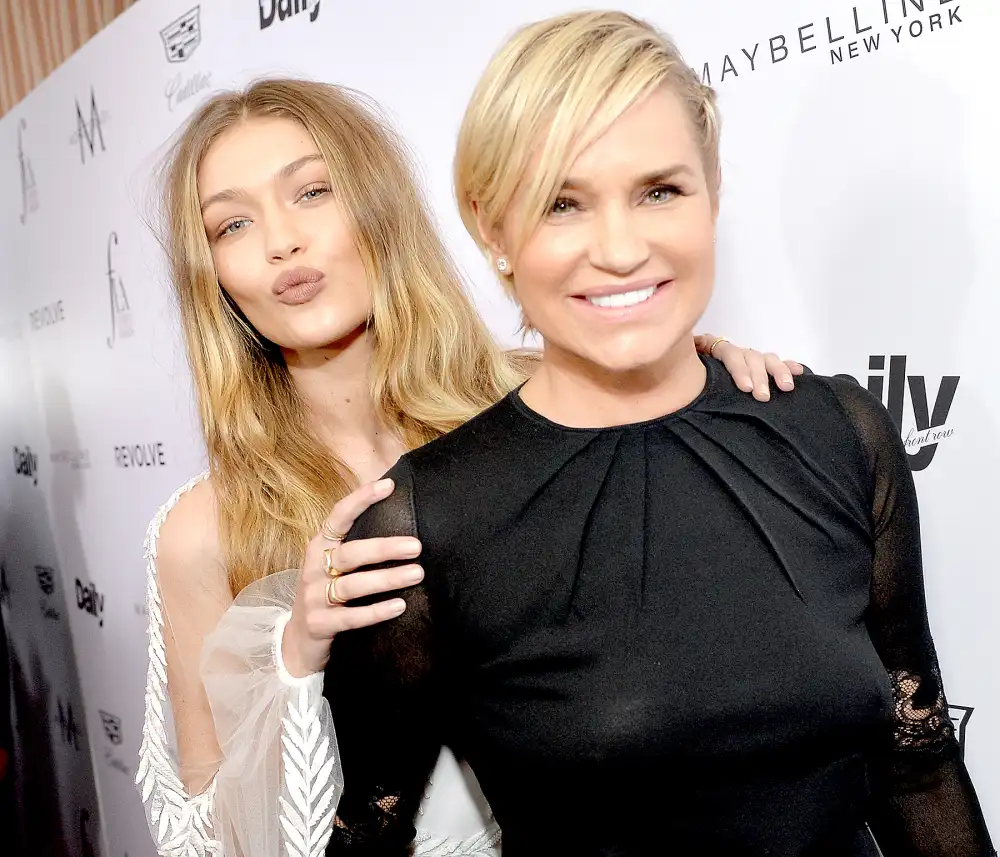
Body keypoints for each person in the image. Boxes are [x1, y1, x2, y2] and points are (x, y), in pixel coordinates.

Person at [305, 11, 996, 857]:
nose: (621, 248)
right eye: (562, 203)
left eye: (659, 190)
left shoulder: (838, 432)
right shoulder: (424, 520)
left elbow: (917, 766)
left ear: (712, 191)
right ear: (492, 228)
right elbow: (371, 831)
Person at [135, 77, 801, 856]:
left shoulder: (539, 402)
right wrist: (295, 656)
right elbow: (195, 837)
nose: (281, 241)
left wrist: (706, 372)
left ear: (378, 205)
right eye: (233, 224)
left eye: (312, 191)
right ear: (210, 272)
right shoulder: (205, 529)